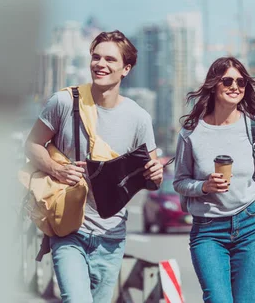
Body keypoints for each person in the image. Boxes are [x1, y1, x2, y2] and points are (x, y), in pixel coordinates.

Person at [25, 30, 164, 302]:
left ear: (126, 68)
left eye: (110, 59)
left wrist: (156, 174)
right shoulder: (64, 102)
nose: (101, 64)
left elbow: (151, 178)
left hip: (111, 236)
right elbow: (31, 145)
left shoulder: (139, 118)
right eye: (96, 57)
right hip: (68, 229)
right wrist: (56, 169)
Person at [173, 56, 255, 303]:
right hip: (208, 231)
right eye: (227, 80)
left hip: (250, 225)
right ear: (214, 84)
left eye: (241, 82)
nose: (235, 86)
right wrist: (204, 186)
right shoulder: (191, 132)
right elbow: (180, 181)